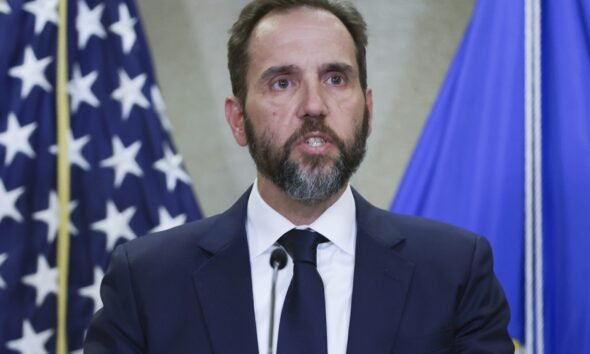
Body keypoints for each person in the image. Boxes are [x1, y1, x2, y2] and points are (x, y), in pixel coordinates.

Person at [84, 0, 514, 353]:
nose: (314, 105)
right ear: (238, 120)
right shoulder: (147, 281)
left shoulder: (455, 272)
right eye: (282, 82)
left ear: (367, 112)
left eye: (335, 78)